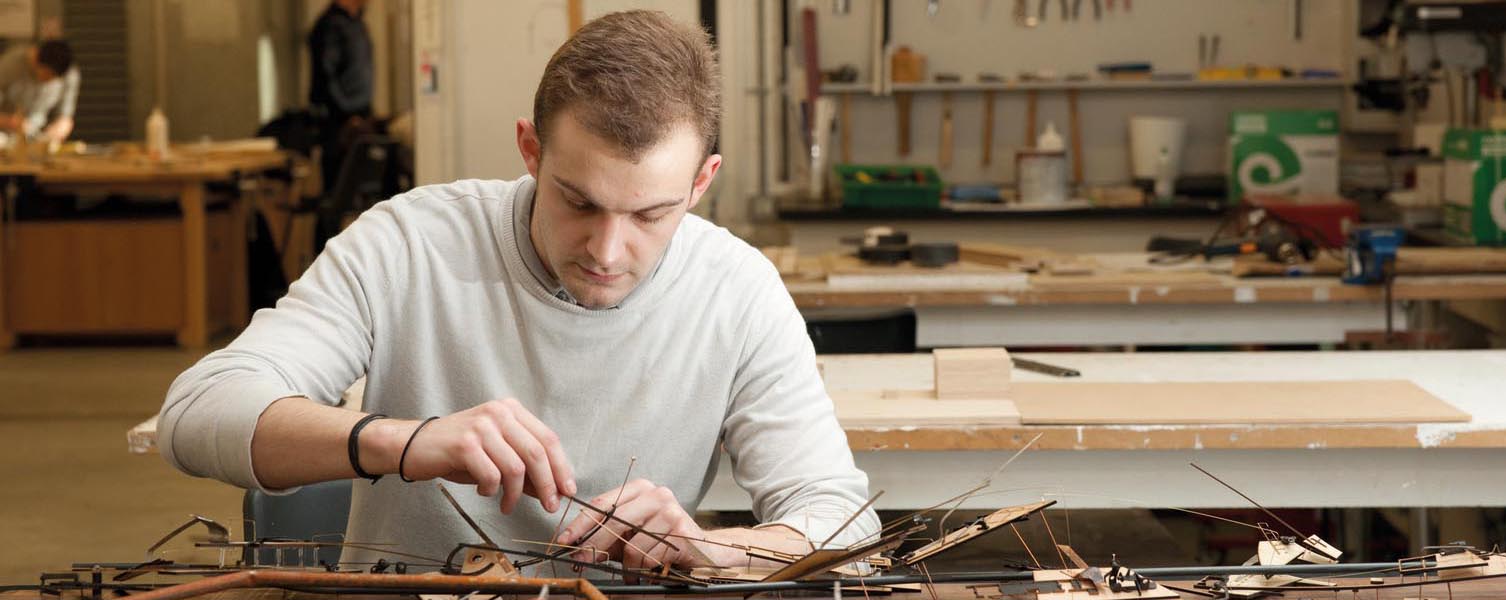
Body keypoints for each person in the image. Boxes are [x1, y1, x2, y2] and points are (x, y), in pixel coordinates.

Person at [160, 10, 876, 572]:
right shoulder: (410, 243)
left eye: (651, 215)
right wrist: (405, 442)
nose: (607, 250)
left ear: (701, 183)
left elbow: (839, 516)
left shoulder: (738, 290)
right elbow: (195, 414)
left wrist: (716, 551)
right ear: (530, 151)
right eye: (579, 201)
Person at [308, 0, 375, 187]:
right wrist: (346, 112)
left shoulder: (357, 23)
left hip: (360, 114)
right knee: (339, 187)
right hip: (340, 122)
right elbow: (326, 76)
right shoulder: (331, 25)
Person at [0, 39, 79, 145]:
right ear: (35, 57)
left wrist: (58, 130)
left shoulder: (69, 75)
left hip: (37, 136)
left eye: (54, 78)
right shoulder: (10, 65)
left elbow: (65, 118)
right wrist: (8, 121)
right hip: (5, 136)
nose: (49, 81)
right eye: (47, 74)